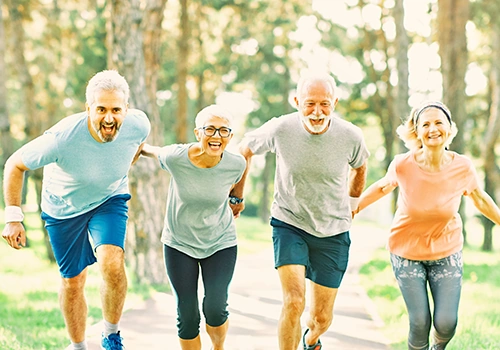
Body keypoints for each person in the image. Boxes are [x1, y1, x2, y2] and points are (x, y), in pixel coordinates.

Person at [1, 70, 150, 350]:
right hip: (63, 209)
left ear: (126, 109)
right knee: (72, 282)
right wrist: (13, 218)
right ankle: (79, 346)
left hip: (109, 199)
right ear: (88, 109)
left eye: (116, 110)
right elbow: (14, 164)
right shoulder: (62, 138)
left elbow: (137, 144)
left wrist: (121, 167)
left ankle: (111, 335)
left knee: (112, 260)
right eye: (101, 109)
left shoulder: (138, 124)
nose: (109, 118)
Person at [229, 73, 369, 350]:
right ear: (296, 101)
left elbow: (360, 166)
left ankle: (311, 339)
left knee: (321, 318)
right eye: (309, 104)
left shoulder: (351, 136)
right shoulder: (281, 129)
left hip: (334, 230)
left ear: (335, 103)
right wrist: (237, 196)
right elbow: (244, 149)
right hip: (289, 222)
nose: (317, 113)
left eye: (325, 104)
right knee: (294, 301)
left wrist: (352, 206)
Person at [353, 101, 500, 350]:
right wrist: (352, 208)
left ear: (449, 129)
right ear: (417, 132)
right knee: (420, 322)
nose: (433, 129)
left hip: (447, 250)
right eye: (426, 124)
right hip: (406, 251)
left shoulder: (462, 166)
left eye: (438, 122)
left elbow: (480, 199)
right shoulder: (403, 164)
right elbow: (382, 187)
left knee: (446, 323)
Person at [140, 104, 246, 350]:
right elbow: (150, 150)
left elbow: (240, 175)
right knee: (187, 315)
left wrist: (237, 199)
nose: (216, 136)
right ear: (198, 133)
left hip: (220, 242)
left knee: (216, 308)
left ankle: (218, 347)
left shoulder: (236, 163)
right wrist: (134, 146)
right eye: (210, 129)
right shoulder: (177, 157)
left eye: (223, 131)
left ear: (230, 136)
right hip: (179, 243)